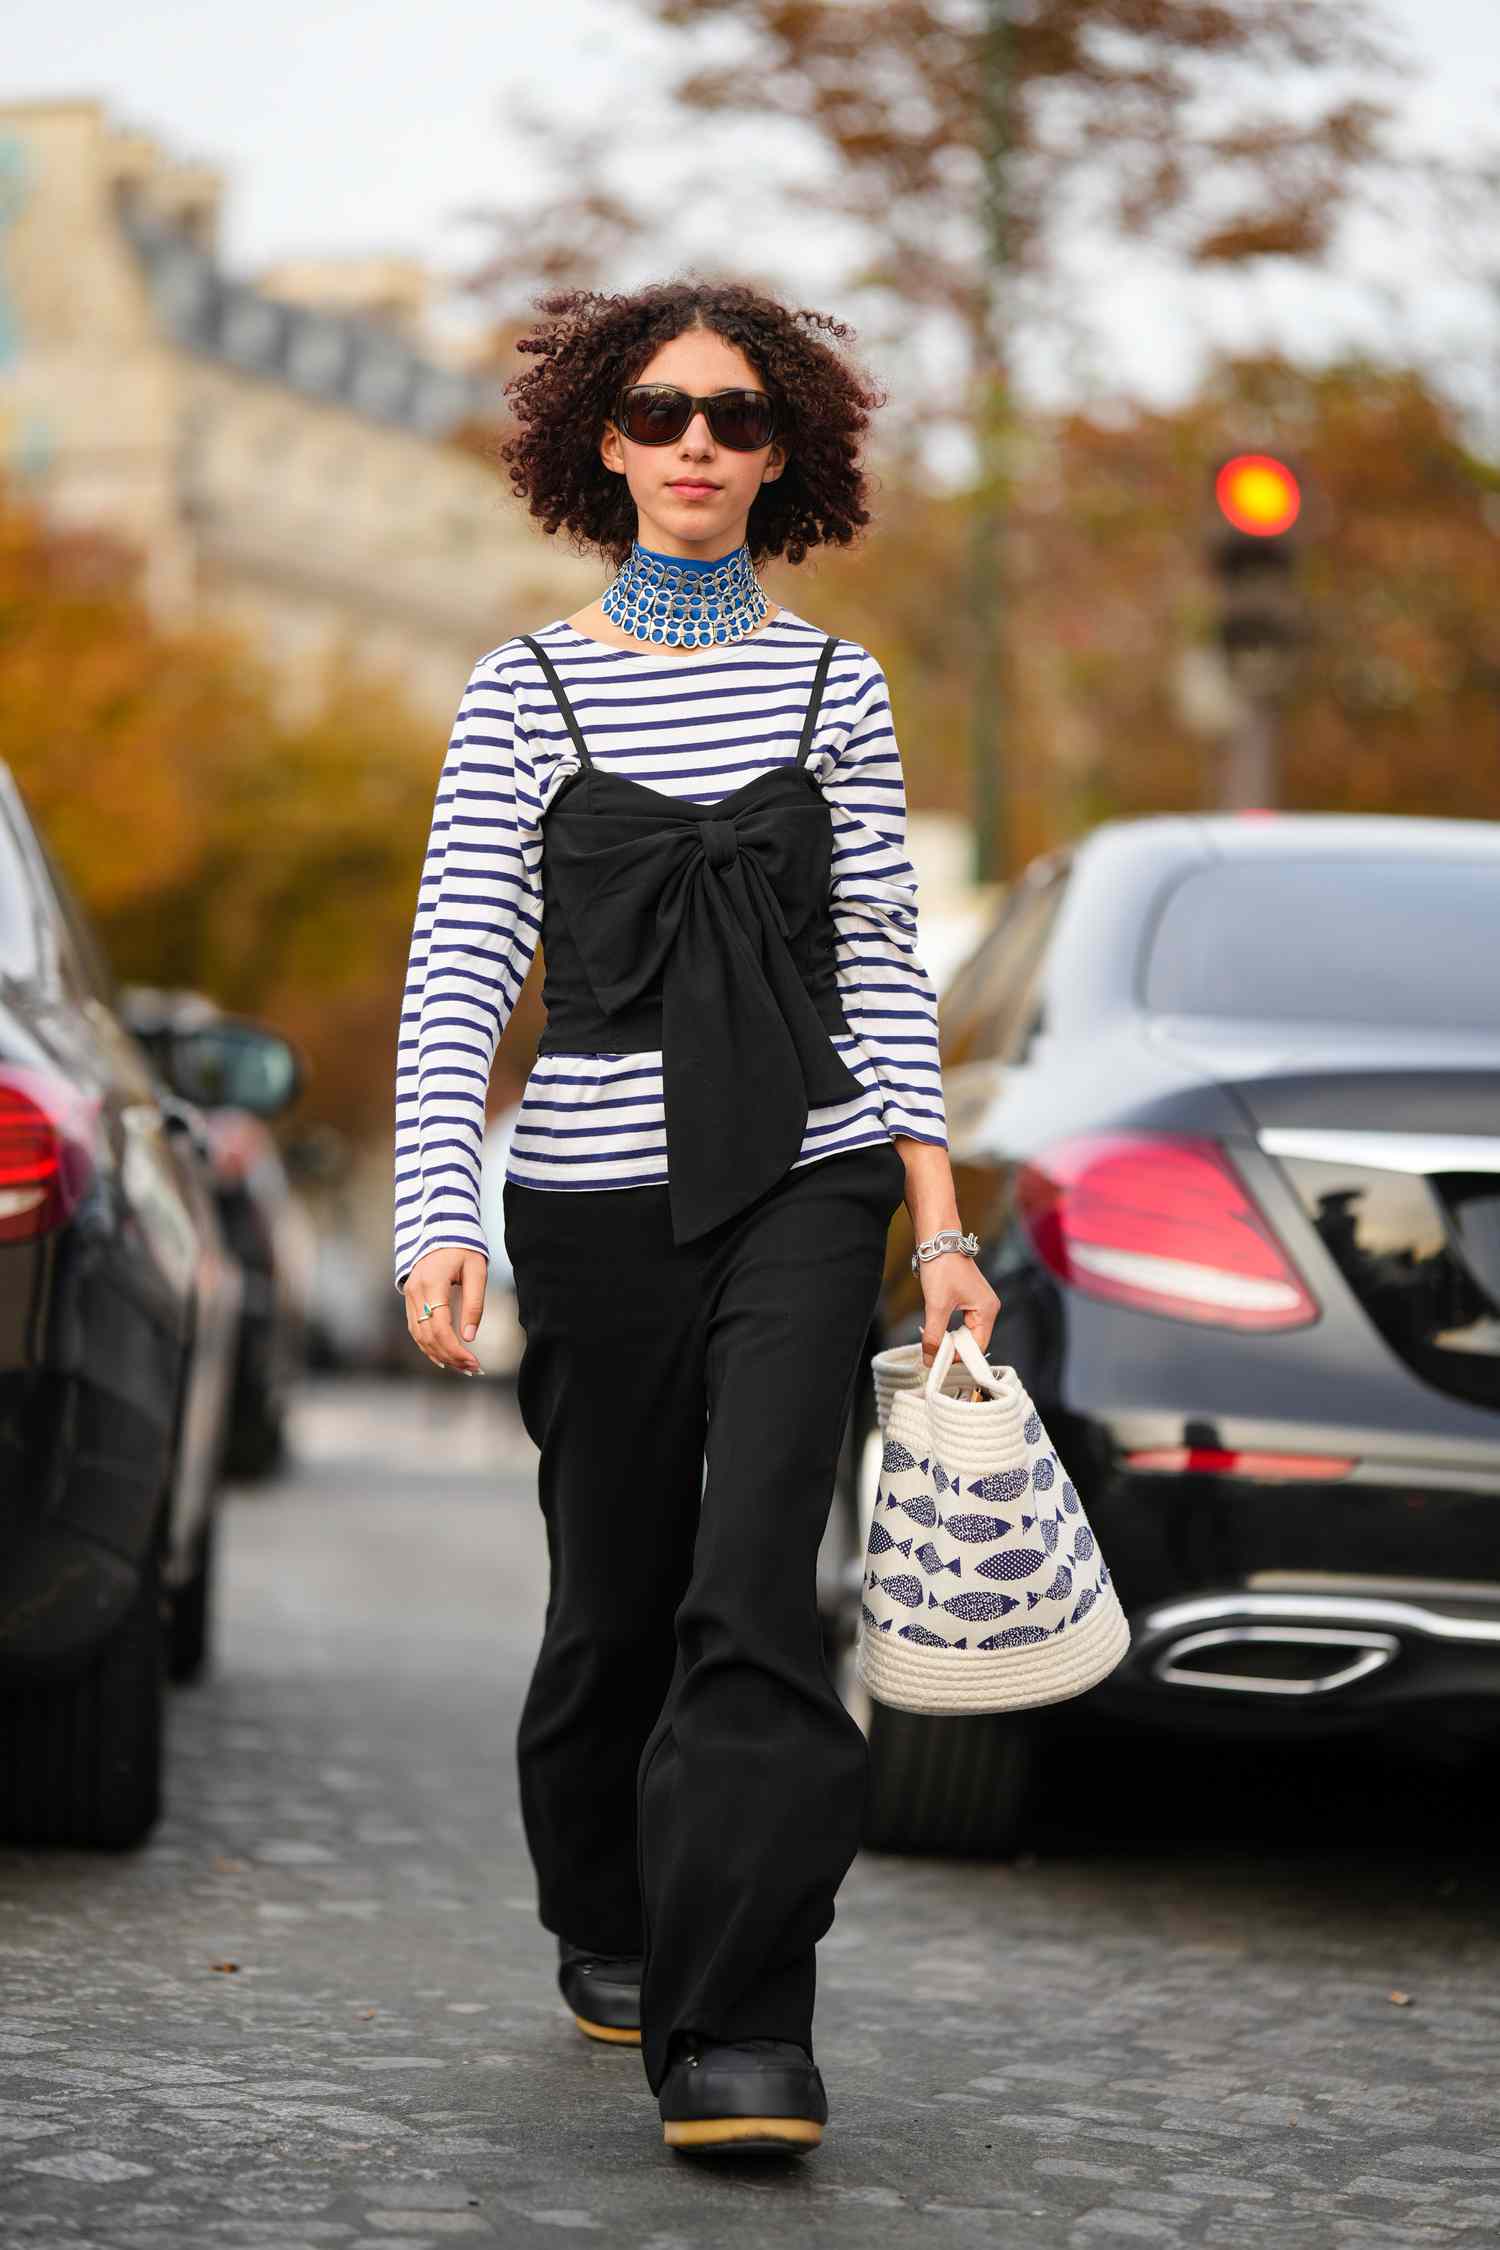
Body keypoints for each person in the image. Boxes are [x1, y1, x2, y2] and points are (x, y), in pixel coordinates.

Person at [393, 279, 1000, 2156]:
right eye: (662, 415)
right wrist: (442, 1212)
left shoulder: (839, 684)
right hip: (587, 1193)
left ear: (781, 453)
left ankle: (741, 2025)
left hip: (805, 1179)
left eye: (737, 420)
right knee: (617, 1608)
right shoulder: (525, 687)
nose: (697, 448)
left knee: (756, 1589)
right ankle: (610, 1904)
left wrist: (941, 1218)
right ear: (604, 438)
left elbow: (884, 960)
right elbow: (462, 965)